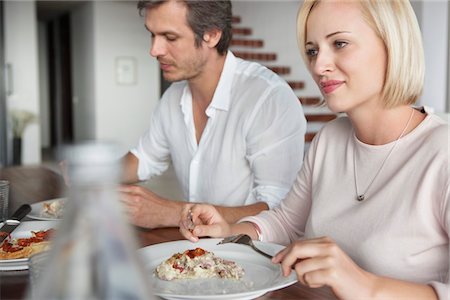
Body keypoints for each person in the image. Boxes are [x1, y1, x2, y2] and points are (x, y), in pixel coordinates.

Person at [179, 0, 449, 299]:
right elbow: (286, 223)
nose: (319, 66)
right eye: (312, 50)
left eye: (340, 43)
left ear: (393, 44)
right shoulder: (329, 139)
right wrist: (230, 228)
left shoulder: (442, 152)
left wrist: (366, 286)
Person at [119, 0, 306, 229]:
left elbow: (281, 210)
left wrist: (175, 213)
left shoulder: (268, 98)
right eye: (152, 35)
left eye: (170, 37)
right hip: (197, 254)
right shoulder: (171, 99)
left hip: (253, 254)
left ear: (212, 35)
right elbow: (145, 158)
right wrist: (88, 172)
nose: (154, 50)